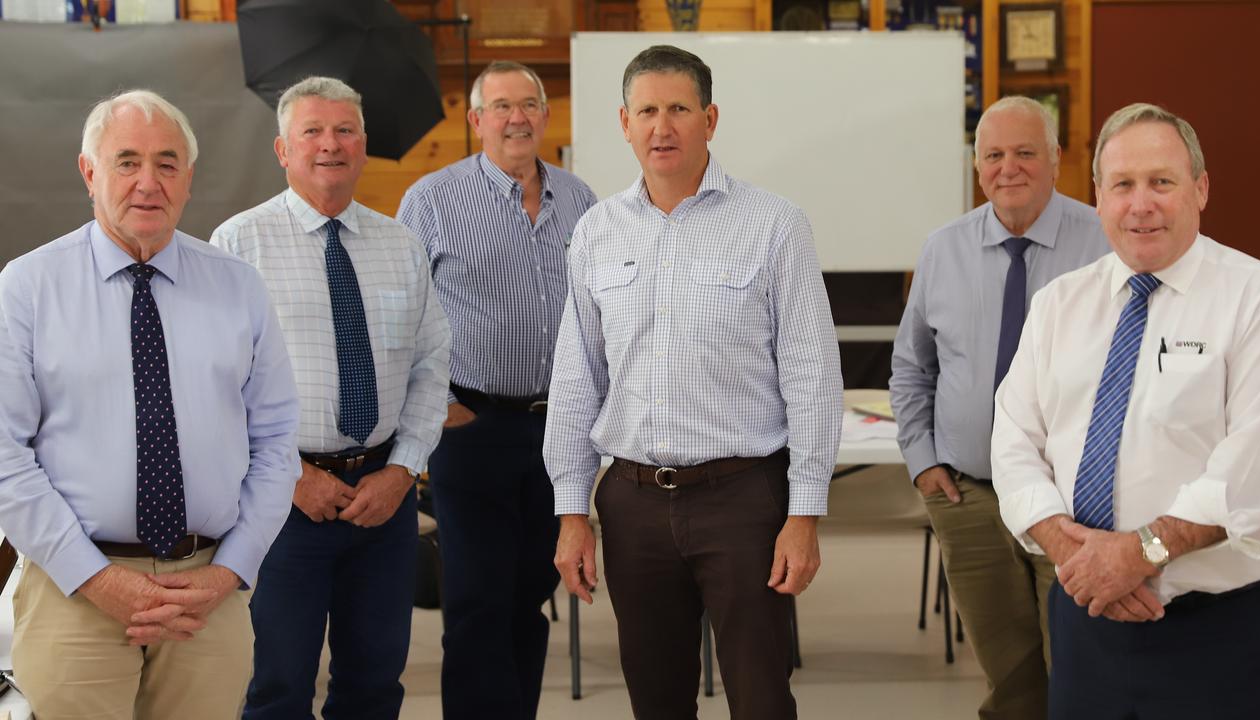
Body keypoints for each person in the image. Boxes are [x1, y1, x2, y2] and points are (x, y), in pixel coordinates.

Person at [543, 45, 842, 720]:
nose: (662, 126)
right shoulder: (596, 232)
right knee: (657, 698)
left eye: (679, 108)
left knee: (761, 695)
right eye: (647, 110)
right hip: (632, 504)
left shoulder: (773, 225)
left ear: (709, 118)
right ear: (624, 123)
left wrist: (805, 514)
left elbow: (812, 375)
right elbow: (576, 380)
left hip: (744, 501)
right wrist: (571, 516)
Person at [0, 89, 300, 719]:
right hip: (73, 587)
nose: (148, 182)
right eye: (127, 161)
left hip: (207, 592)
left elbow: (276, 443)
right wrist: (98, 579)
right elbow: (5, 456)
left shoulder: (237, 287)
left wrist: (229, 573)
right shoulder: (28, 288)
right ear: (89, 172)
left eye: (167, 163)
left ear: (188, 178)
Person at [992, 102, 1260, 718]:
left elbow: (1254, 469)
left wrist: (1137, 555)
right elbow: (1013, 439)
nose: (1140, 203)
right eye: (1122, 184)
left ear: (1200, 189)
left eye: (1162, 182)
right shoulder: (1060, 304)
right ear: (1098, 196)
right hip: (1085, 622)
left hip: (1221, 631)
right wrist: (1081, 559)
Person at [210, 76, 451, 719]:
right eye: (312, 131)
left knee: (374, 685)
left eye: (345, 130)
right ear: (282, 150)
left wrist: (403, 471)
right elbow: (216, 387)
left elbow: (432, 366)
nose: (330, 144)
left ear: (363, 146)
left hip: (384, 501)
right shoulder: (237, 246)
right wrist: (293, 477)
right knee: (277, 685)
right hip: (281, 504)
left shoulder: (401, 245)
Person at [889, 96, 1109, 718]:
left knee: (1076, 660)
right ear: (977, 166)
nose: (1007, 168)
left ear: (1057, 159)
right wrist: (924, 463)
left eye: (1024, 153)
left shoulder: (1104, 243)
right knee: (1008, 673)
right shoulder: (942, 249)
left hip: (1071, 503)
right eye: (993, 155)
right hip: (969, 498)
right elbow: (912, 367)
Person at [396, 60, 597, 719]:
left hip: (559, 428)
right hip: (471, 425)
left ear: (545, 115)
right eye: (501, 105)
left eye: (529, 104)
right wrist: (431, 409)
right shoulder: (432, 199)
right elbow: (400, 316)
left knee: (531, 593)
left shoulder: (581, 200)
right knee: (478, 600)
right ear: (476, 120)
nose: (517, 117)